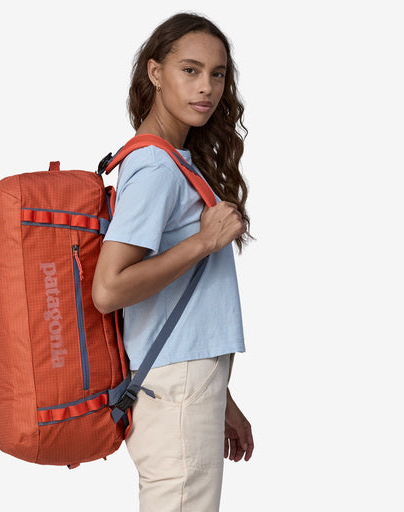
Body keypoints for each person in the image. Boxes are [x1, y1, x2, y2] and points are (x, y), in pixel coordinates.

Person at [92, 11, 255, 511]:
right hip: (177, 390)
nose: (207, 87)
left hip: (187, 384)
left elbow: (186, 304)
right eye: (190, 70)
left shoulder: (174, 161)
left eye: (217, 74)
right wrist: (203, 242)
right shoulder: (156, 167)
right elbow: (109, 289)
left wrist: (220, 396)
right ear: (155, 72)